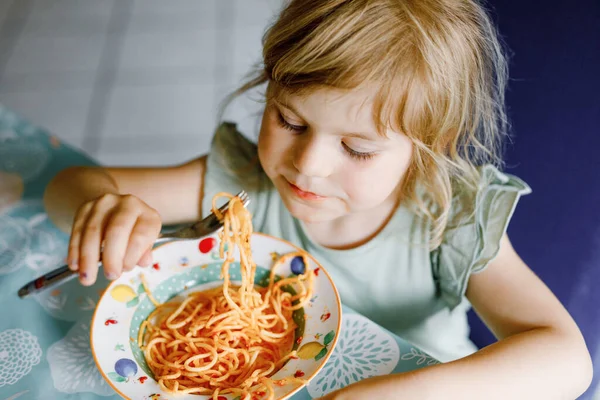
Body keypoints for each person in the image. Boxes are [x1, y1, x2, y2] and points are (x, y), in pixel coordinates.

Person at [44, 0, 592, 398]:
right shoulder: (243, 181)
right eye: (289, 120)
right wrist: (103, 208)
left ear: (426, 149)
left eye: (356, 149)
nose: (307, 164)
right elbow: (64, 187)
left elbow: (567, 359)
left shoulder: (449, 217)